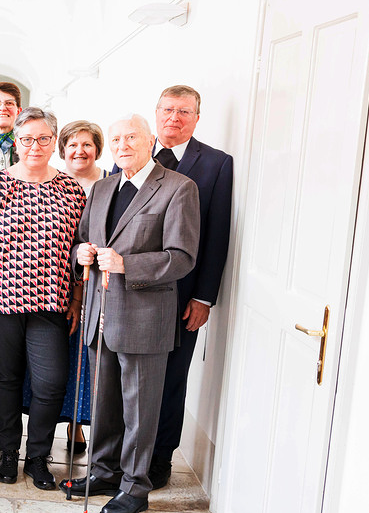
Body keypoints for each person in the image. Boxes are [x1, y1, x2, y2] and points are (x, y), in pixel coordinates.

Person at [70, 114, 200, 513]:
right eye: (116, 139)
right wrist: (80, 253)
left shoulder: (178, 187)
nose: (122, 145)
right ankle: (103, 472)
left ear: (150, 140)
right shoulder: (103, 187)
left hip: (144, 319)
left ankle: (134, 488)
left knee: (139, 412)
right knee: (104, 405)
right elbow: (82, 240)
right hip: (100, 317)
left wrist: (127, 264)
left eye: (131, 137)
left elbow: (182, 257)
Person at [0, 107, 86, 491]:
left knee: (51, 383)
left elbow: (80, 248)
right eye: (27, 139)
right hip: (1, 302)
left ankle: (37, 458)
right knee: (6, 379)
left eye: (43, 138)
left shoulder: (71, 189)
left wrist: (76, 299)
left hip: (51, 304)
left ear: (54, 142)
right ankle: (9, 453)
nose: (35, 146)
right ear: (16, 142)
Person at [148, 85, 233, 489]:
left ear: (197, 118)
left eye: (184, 111)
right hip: (132, 289)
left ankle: (160, 457)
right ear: (156, 113)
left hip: (183, 294)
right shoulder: (134, 153)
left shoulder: (216, 163)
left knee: (171, 378)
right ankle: (122, 453)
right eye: (168, 109)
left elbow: (217, 233)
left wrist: (204, 297)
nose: (174, 118)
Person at [21, 120, 107, 455]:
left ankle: (77, 424)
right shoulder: (52, 182)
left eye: (87, 145)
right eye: (72, 145)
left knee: (83, 359)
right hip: (52, 286)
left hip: (93, 285)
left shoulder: (109, 183)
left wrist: (80, 293)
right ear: (62, 149)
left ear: (97, 149)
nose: (79, 151)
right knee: (52, 363)